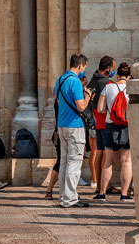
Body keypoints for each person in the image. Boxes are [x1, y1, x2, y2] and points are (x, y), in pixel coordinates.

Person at [53, 52, 91, 210]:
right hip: (74, 126)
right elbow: (81, 106)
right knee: (74, 163)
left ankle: (63, 196)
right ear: (80, 66)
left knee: (64, 162)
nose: (84, 70)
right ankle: (70, 198)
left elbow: (58, 100)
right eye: (84, 68)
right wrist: (87, 95)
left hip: (62, 124)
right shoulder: (75, 82)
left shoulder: (60, 80)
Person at [96, 63, 133, 202]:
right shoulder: (132, 88)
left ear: (117, 75)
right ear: (129, 76)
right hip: (127, 126)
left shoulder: (109, 87)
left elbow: (100, 109)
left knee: (109, 161)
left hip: (111, 126)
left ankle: (102, 194)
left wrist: (112, 112)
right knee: (126, 161)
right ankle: (124, 194)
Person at [88, 57, 114, 195]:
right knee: (105, 154)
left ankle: (98, 184)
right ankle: (105, 186)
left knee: (98, 153)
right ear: (108, 69)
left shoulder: (92, 81)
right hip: (105, 122)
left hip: (95, 122)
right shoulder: (108, 83)